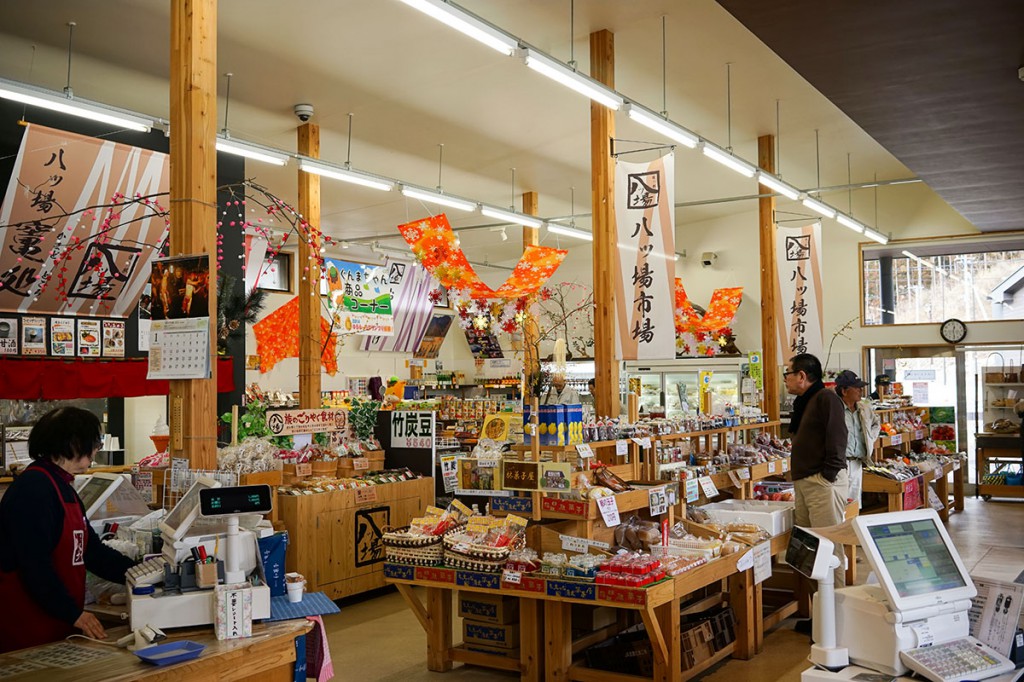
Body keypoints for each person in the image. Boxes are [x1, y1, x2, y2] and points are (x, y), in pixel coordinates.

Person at [0, 407, 136, 652]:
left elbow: (92, 551)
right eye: (95, 443)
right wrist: (73, 613)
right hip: (25, 627)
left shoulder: (64, 487)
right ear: (74, 443)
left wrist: (138, 574)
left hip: (55, 623)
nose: (96, 450)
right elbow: (34, 565)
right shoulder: (34, 489)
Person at [785, 353, 849, 588]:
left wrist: (827, 476)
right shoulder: (804, 401)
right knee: (810, 546)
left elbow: (838, 438)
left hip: (821, 482)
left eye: (788, 374)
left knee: (829, 546)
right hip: (806, 480)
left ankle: (837, 616)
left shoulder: (826, 399)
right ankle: (821, 614)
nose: (786, 379)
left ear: (801, 376)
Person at [834, 370, 881, 507]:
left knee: (854, 505)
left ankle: (852, 528)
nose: (861, 390)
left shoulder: (864, 408)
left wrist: (870, 437)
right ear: (844, 391)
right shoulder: (834, 409)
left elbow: (876, 423)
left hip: (857, 463)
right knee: (839, 505)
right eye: (857, 388)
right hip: (838, 464)